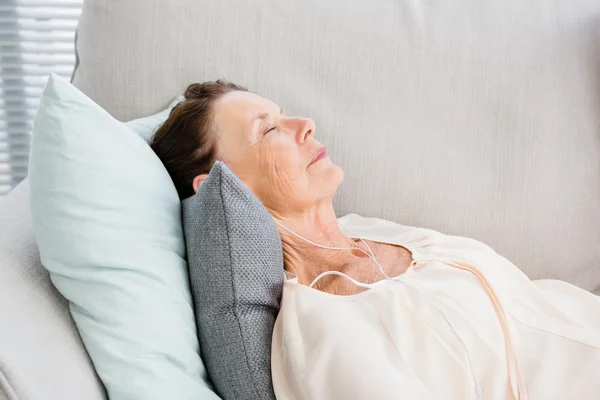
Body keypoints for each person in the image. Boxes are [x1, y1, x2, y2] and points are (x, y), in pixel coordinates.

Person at [151, 81, 600, 400]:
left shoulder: (371, 229)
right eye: (268, 130)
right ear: (221, 189)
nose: (305, 124)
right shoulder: (319, 327)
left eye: (284, 115)